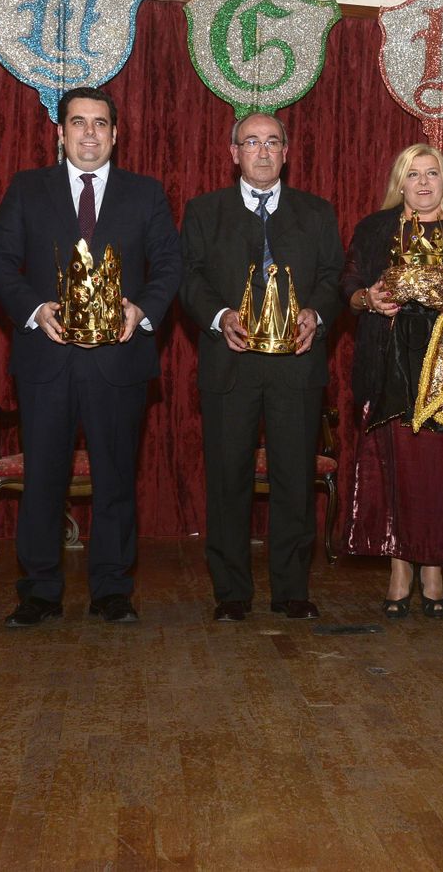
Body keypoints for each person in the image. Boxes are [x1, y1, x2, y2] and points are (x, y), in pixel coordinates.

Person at [0, 87, 182, 627]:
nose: (89, 133)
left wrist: (140, 311)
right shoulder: (28, 189)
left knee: (117, 477)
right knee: (44, 475)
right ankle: (39, 591)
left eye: (99, 124)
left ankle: (112, 590)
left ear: (116, 135)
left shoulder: (145, 193)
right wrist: (32, 308)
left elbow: (169, 264)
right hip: (47, 359)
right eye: (78, 123)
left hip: (118, 361)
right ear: (60, 134)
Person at [180, 112, 343, 622]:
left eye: (273, 142)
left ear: (287, 152)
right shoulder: (204, 212)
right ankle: (231, 592)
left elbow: (335, 276)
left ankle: (292, 589)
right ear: (234, 153)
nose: (264, 151)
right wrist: (218, 316)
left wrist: (316, 313)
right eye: (252, 142)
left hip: (297, 364)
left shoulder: (316, 213)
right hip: (230, 364)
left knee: (295, 479)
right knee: (228, 479)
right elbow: (188, 277)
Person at [338, 143, 443, 617]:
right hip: (390, 368)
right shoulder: (376, 229)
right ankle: (399, 569)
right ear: (400, 182)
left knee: (441, 471)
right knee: (396, 467)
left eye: (431, 173)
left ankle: (433, 568)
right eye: (412, 174)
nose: (423, 183)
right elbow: (347, 285)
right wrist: (367, 299)